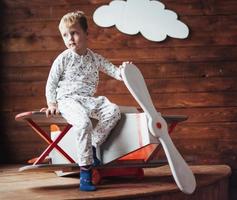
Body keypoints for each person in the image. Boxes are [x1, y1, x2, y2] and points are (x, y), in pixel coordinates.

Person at [45, 10, 128, 191]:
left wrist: (125, 71)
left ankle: (92, 145)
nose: (70, 38)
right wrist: (52, 103)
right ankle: (85, 172)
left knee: (113, 111)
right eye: (65, 35)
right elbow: (51, 82)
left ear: (86, 33)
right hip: (67, 100)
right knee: (83, 124)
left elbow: (114, 71)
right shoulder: (64, 58)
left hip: (87, 100)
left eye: (74, 33)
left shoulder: (94, 58)